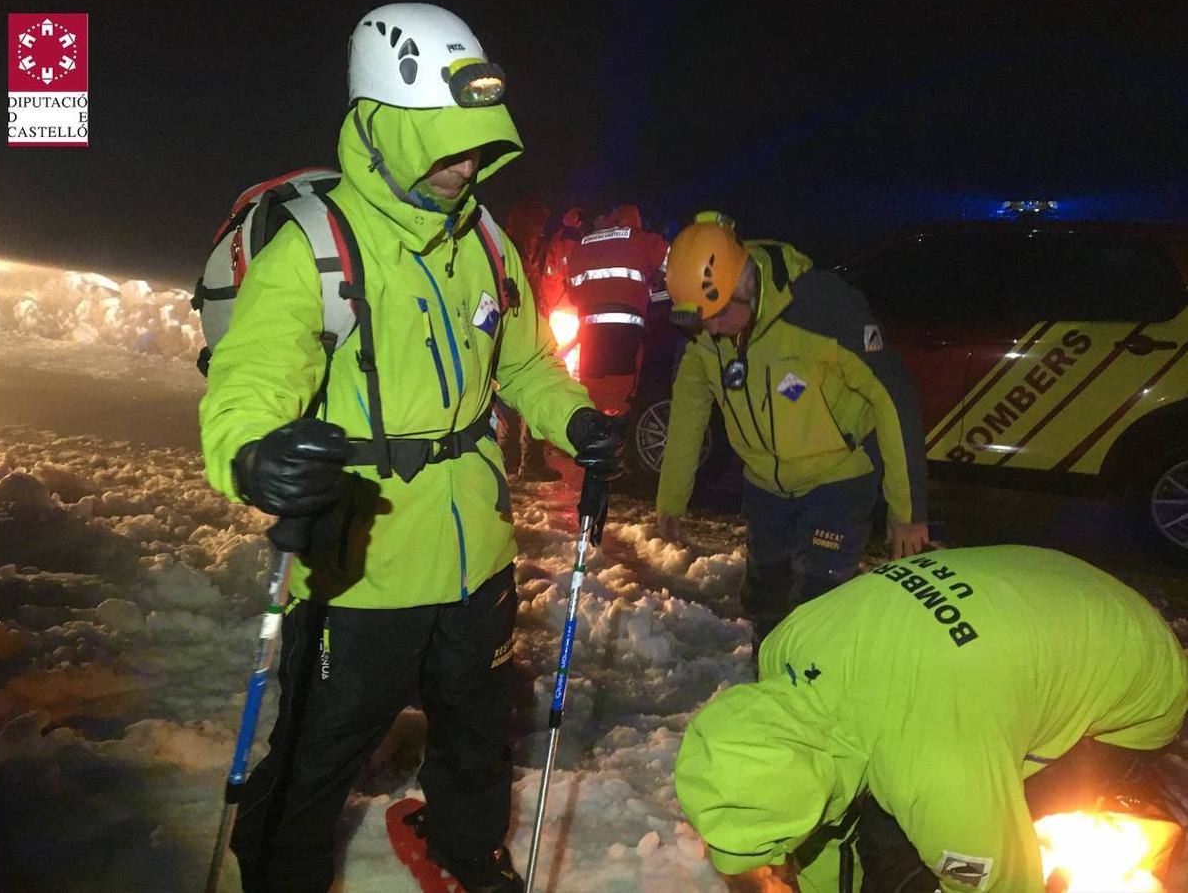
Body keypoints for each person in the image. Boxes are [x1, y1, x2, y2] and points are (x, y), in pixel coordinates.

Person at [198, 4, 620, 892]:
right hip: (364, 561)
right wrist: (252, 453)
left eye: (475, 147)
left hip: (477, 550)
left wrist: (571, 418)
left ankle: (467, 846)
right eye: (445, 144)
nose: (465, 166)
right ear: (385, 127)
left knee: (475, 728)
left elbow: (526, 361)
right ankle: (278, 868)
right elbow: (252, 379)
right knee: (320, 745)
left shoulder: (486, 239)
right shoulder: (318, 246)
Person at [675, 545, 1188, 892]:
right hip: (1056, 592)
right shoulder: (786, 647)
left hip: (1135, 694)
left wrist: (967, 853)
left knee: (901, 852)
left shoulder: (935, 771)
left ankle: (1132, 832)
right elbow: (828, 808)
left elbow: (1002, 886)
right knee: (887, 810)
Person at [656, 212, 929, 659]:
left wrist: (908, 510)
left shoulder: (820, 308)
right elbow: (688, 412)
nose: (713, 330)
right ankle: (771, 684)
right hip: (765, 486)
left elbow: (892, 397)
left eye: (720, 315)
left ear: (745, 285)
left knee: (817, 602)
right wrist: (671, 497)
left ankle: (813, 703)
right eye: (701, 322)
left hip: (839, 478)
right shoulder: (707, 335)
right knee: (767, 600)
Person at [563, 203, 668, 417]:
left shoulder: (581, 246)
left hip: (590, 336)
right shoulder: (638, 239)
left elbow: (573, 296)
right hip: (625, 333)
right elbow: (678, 261)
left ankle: (590, 442)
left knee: (591, 397)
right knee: (619, 398)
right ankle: (615, 442)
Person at [502, 196, 560, 480]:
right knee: (528, 397)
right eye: (538, 223)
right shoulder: (511, 250)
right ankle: (529, 461)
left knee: (513, 400)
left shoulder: (520, 251)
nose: (541, 230)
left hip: (523, 332)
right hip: (520, 334)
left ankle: (513, 458)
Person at [537, 205, 586, 315]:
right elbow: (568, 267)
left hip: (554, 297)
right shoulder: (569, 236)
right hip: (563, 300)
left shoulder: (558, 235)